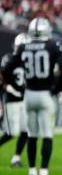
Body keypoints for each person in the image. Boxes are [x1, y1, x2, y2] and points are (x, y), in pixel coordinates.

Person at [1, 18, 62, 175]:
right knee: (47, 135)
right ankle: (43, 173)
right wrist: (56, 90)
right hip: (45, 94)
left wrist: (16, 86)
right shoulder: (52, 45)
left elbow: (6, 69)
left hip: (29, 95)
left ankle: (31, 172)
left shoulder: (23, 47)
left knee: (31, 135)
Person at [0, 33, 30, 167]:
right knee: (12, 132)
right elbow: (2, 77)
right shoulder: (8, 58)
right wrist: (8, 88)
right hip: (12, 99)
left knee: (26, 130)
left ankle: (16, 158)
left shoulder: (29, 60)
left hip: (25, 98)